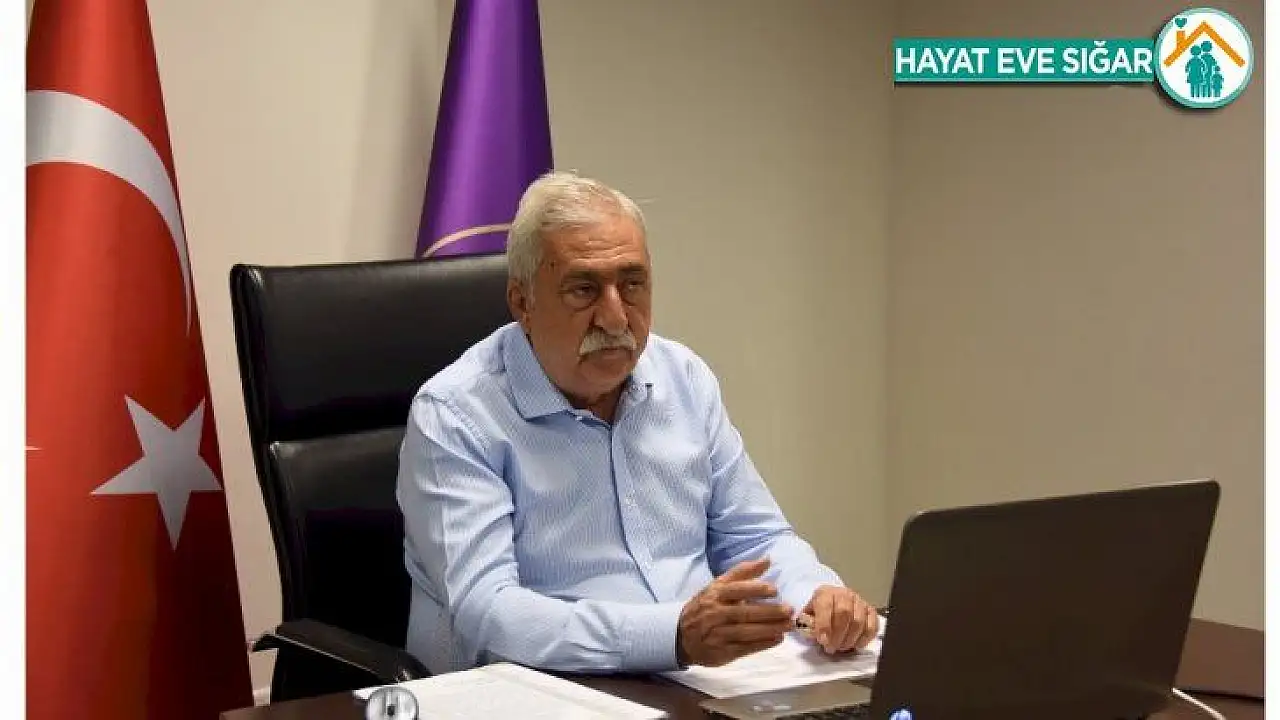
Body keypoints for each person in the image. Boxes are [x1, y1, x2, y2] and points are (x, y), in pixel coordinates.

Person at [396, 170, 879, 676]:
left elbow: (754, 537)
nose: (615, 317)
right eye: (583, 290)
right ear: (523, 303)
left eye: (632, 285)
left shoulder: (683, 378)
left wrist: (817, 592)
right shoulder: (456, 415)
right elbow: (488, 611)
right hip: (541, 689)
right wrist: (671, 636)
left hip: (697, 680)